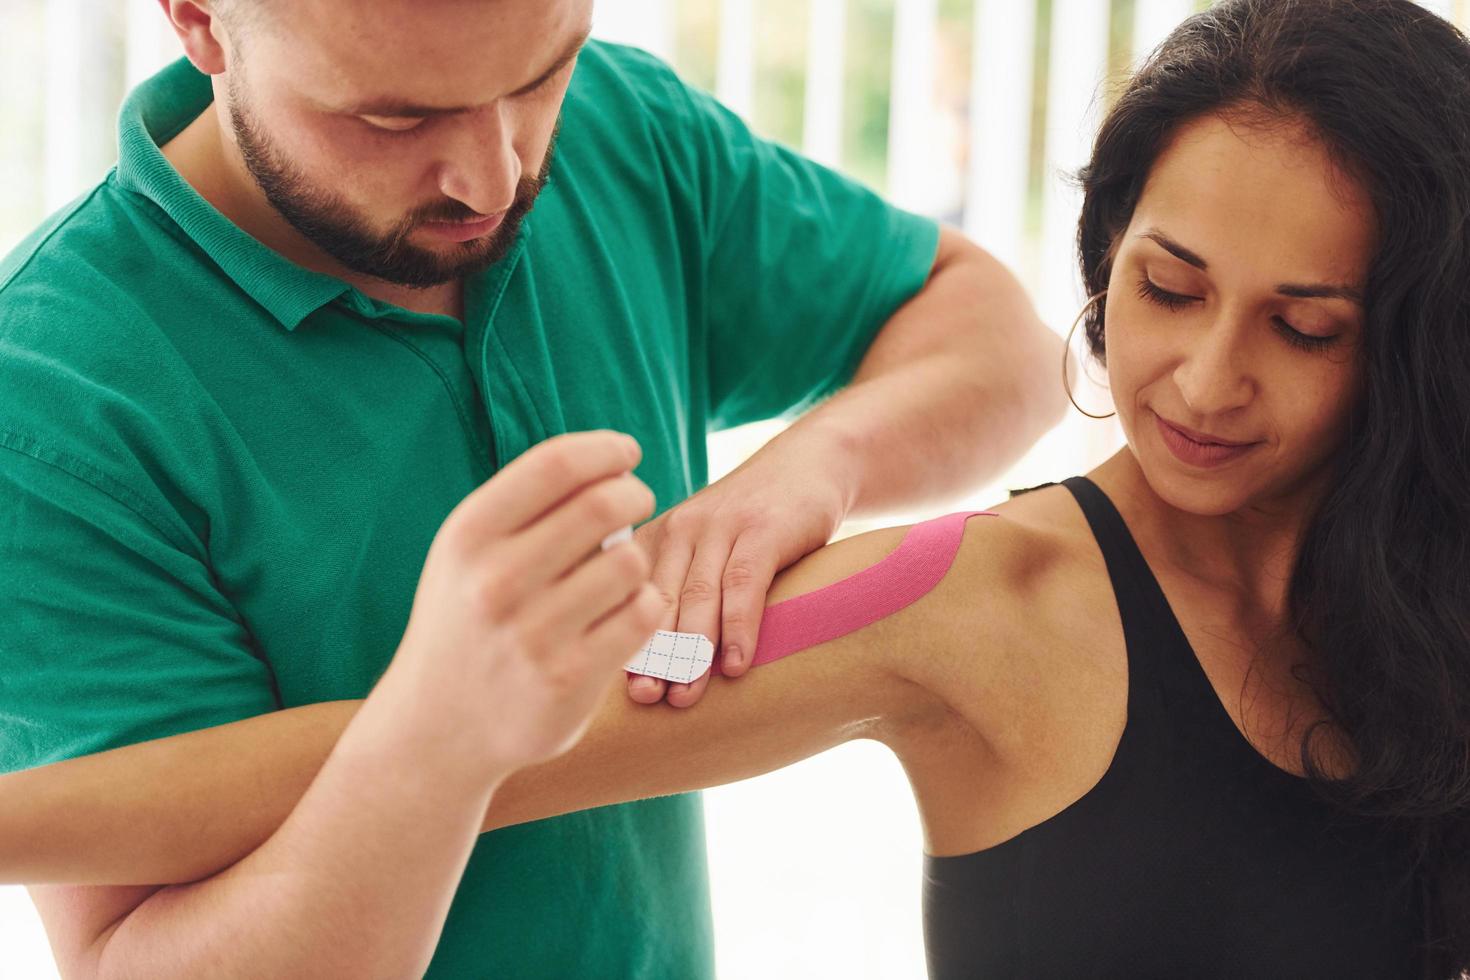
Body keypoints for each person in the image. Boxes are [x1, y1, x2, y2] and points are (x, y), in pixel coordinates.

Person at [15, 0, 1470, 975]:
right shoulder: (62, 397)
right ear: (200, 17)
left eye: (541, 72)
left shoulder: (618, 142)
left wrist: (814, 462)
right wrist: (435, 736)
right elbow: (468, 753)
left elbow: (980, 339)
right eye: (393, 119)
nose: (494, 168)